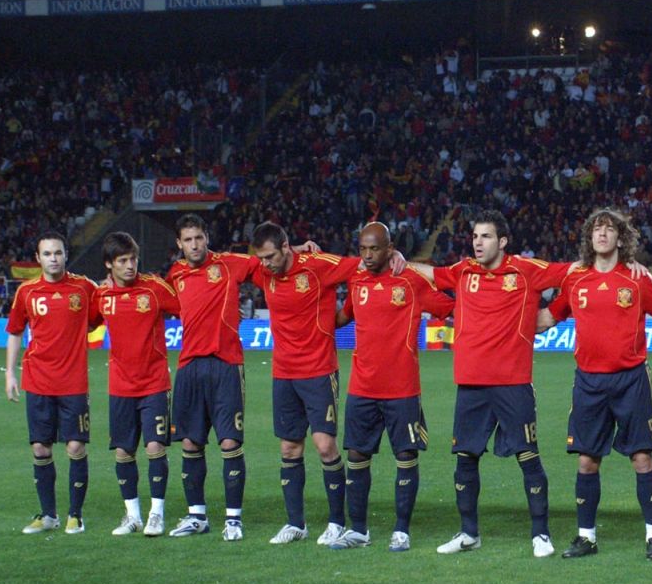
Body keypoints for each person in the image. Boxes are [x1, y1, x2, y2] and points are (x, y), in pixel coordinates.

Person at [408, 209, 572, 558]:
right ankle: (469, 533)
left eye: (485, 236)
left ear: (503, 241)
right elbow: (433, 273)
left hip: (513, 383)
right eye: (475, 236)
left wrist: (554, 313)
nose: (478, 243)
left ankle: (541, 534)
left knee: (528, 456)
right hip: (471, 384)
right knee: (465, 458)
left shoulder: (526, 270)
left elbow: (575, 273)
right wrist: (398, 260)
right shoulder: (464, 270)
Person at [542, 210, 652, 561]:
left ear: (620, 237)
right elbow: (549, 317)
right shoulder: (575, 279)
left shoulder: (637, 279)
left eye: (609, 229)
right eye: (596, 229)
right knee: (587, 461)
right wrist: (502, 317)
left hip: (631, 379)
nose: (602, 234)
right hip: (589, 381)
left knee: (642, 458)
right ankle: (586, 537)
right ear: (590, 237)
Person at [332, 222, 454, 552]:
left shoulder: (410, 281)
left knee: (406, 455)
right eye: (363, 249)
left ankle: (401, 531)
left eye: (375, 248)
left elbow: (448, 307)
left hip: (402, 388)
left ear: (389, 249)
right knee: (356, 454)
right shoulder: (356, 280)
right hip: (362, 387)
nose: (368, 255)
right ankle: (358, 530)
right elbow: (343, 317)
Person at [250, 221, 361, 546]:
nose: (266, 264)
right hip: (283, 374)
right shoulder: (263, 271)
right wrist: (290, 249)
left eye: (271, 256)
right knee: (289, 447)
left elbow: (362, 267)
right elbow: (231, 262)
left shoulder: (317, 266)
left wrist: (346, 313)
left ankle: (336, 522)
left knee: (325, 446)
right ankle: (295, 524)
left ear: (285, 247)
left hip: (318, 370)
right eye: (261, 258)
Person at [165, 214, 259, 541]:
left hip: (225, 364)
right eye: (188, 240)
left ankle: (233, 519)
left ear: (207, 238)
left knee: (230, 442)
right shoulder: (175, 273)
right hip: (189, 366)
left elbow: (268, 259)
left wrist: (298, 249)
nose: (194, 245)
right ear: (179, 243)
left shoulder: (229, 264)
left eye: (199, 238)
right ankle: (197, 516)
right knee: (190, 442)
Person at [6, 232, 100, 535]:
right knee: (40, 448)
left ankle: (75, 515)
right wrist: (10, 373)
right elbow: (15, 331)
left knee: (75, 445)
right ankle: (48, 515)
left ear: (66, 255)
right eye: (47, 254)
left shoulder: (84, 288)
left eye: (58, 253)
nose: (53, 258)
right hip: (37, 380)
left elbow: (103, 313)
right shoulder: (27, 292)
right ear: (38, 258)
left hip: (73, 383)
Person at [93, 232, 180, 536]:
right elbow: (84, 319)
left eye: (133, 259)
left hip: (154, 383)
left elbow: (189, 307)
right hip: (120, 386)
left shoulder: (154, 288)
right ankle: (132, 516)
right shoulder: (101, 296)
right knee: (123, 452)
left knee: (155, 446)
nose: (130, 265)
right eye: (123, 261)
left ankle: (157, 514)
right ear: (109, 264)